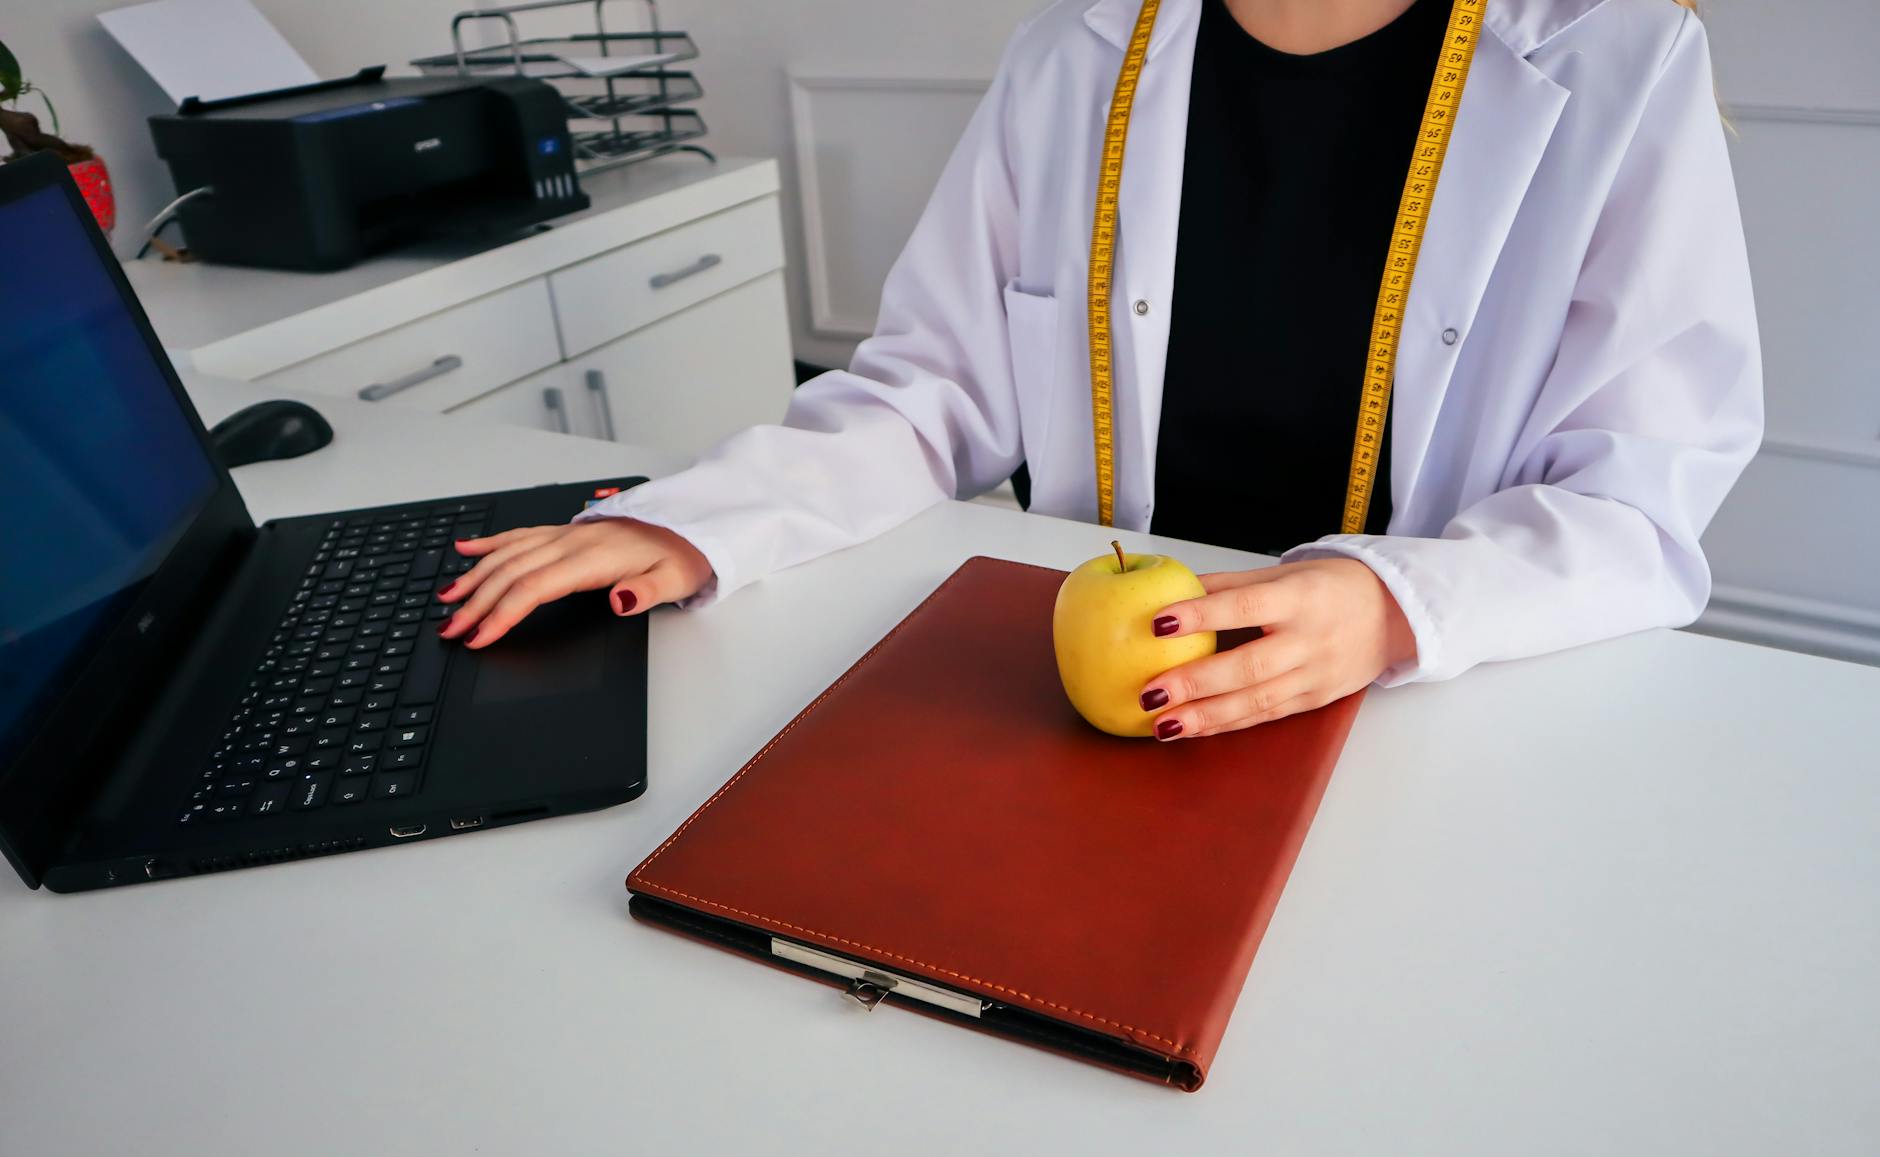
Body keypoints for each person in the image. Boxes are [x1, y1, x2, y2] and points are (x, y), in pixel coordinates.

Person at [437, 0, 1761, 741]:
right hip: (1091, 708)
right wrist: (699, 520)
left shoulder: (1619, 54)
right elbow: (930, 392)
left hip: (1427, 710)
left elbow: (1637, 500)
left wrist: (1388, 604)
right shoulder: (1078, 54)